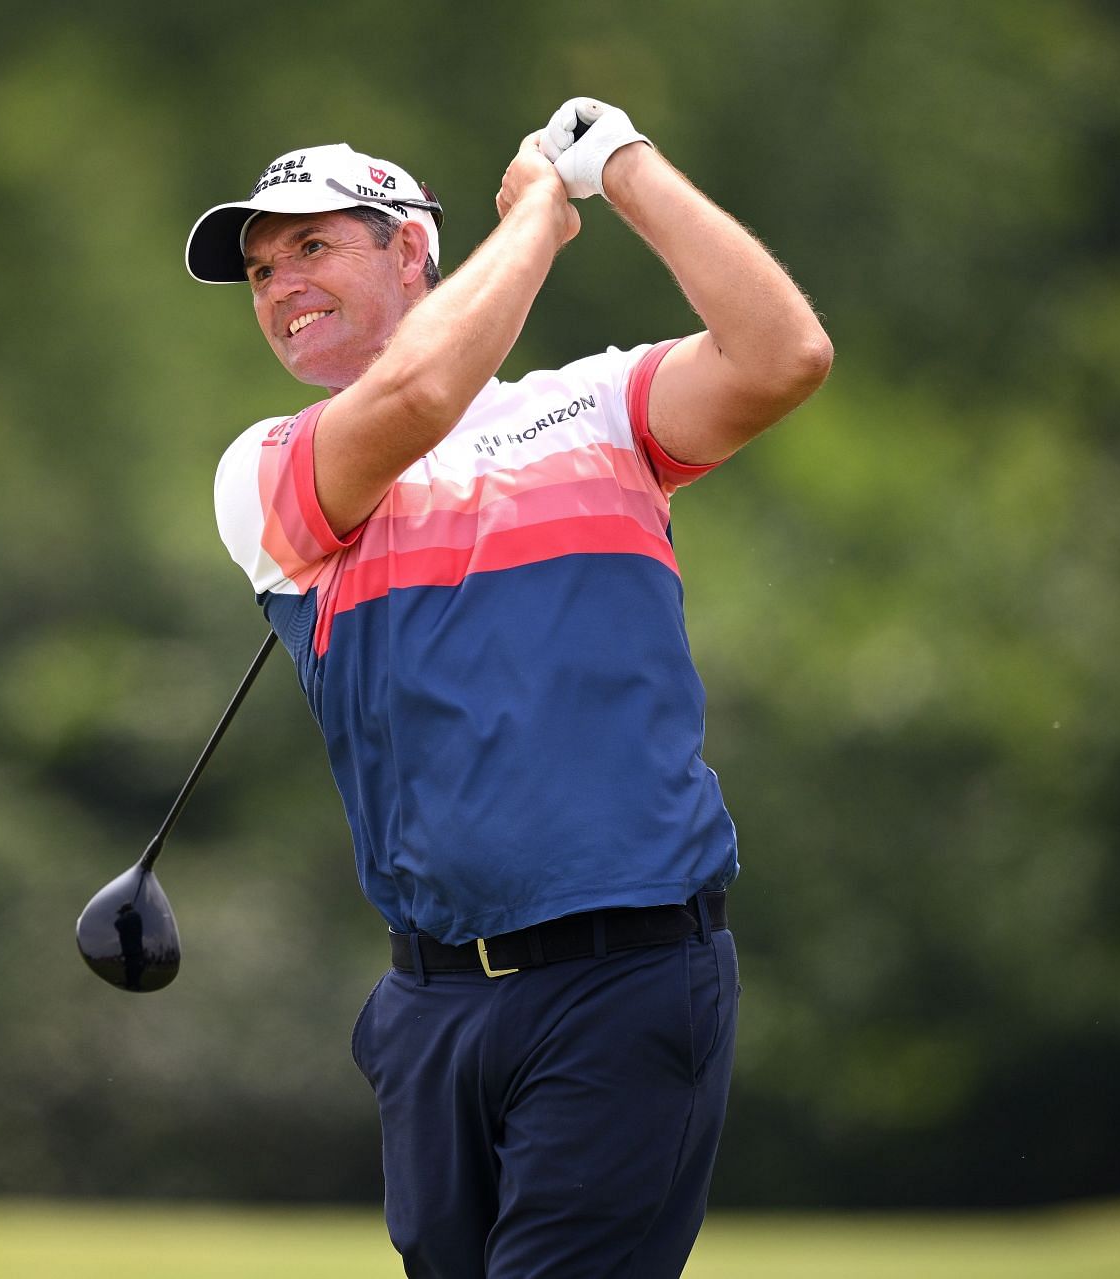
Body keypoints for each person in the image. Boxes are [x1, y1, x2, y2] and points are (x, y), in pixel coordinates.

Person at [186, 97, 831, 1278]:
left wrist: (622, 170)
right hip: (433, 1009)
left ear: (410, 248)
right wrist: (538, 216)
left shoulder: (593, 411)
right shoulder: (269, 466)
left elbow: (783, 356)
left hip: (628, 974)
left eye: (314, 246)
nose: (280, 286)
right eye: (262, 269)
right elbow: (416, 402)